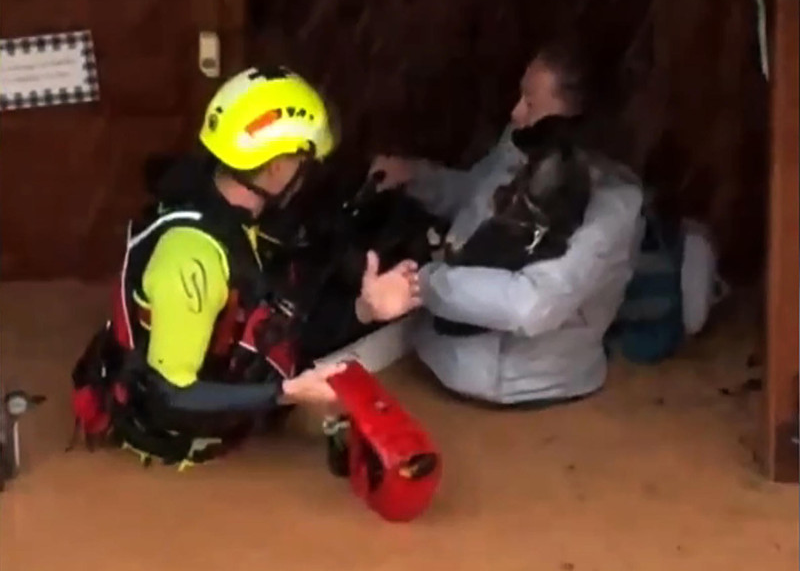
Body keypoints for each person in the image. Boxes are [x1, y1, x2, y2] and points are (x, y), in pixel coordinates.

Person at [70, 66, 421, 465]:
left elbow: (276, 327)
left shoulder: (247, 220)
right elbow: (169, 395)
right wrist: (285, 394)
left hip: (226, 375)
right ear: (276, 167)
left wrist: (365, 310)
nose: (308, 175)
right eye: (304, 163)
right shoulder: (192, 259)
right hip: (173, 435)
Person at [368, 42, 644, 406]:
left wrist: (421, 286)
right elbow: (478, 198)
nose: (515, 113)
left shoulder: (610, 208)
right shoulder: (527, 146)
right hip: (442, 354)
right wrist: (414, 176)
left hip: (517, 384)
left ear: (576, 118)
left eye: (530, 103)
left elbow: (530, 305)